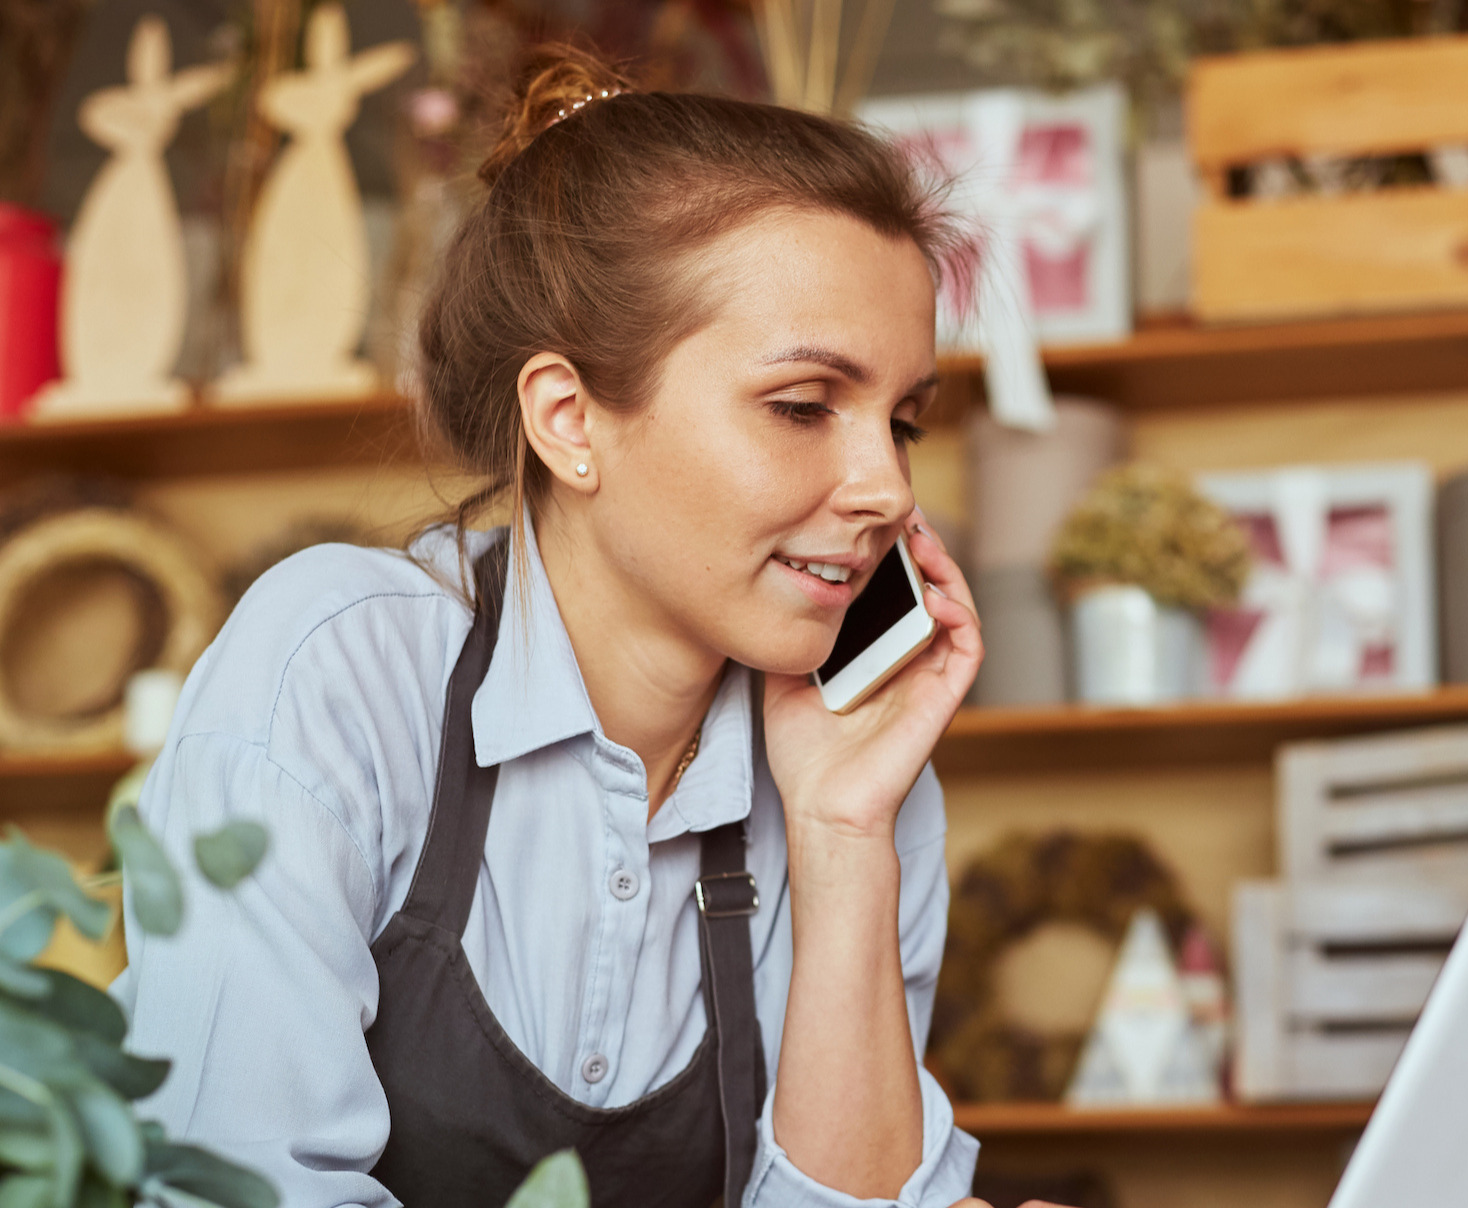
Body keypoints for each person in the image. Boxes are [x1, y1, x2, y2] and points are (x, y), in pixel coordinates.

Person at [115, 48, 990, 1208]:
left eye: (903, 420)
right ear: (570, 419)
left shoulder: (860, 773)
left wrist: (840, 833)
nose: (884, 485)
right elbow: (230, 1192)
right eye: (801, 406)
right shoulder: (337, 670)